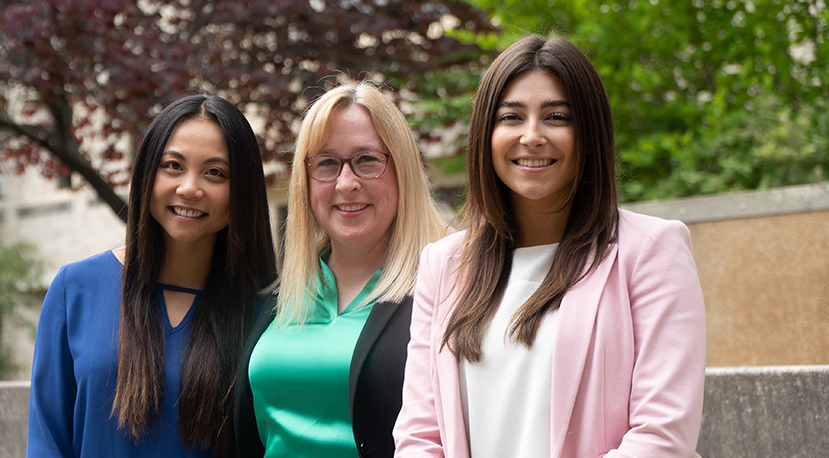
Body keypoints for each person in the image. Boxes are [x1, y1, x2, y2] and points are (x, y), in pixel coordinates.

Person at [393, 34, 706, 458]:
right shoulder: (444, 264)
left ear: (589, 133)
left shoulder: (652, 252)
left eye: (557, 117)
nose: (532, 136)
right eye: (511, 117)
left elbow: (662, 436)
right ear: (486, 133)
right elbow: (419, 436)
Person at [26, 94, 277, 457]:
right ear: (147, 174)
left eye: (215, 173)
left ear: (242, 192)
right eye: (173, 165)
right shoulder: (75, 290)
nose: (190, 188)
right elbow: (47, 440)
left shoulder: (268, 310)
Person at [233, 81, 447, 458]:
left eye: (367, 160)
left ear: (403, 170)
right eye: (327, 164)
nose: (347, 183)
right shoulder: (277, 298)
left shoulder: (444, 291)